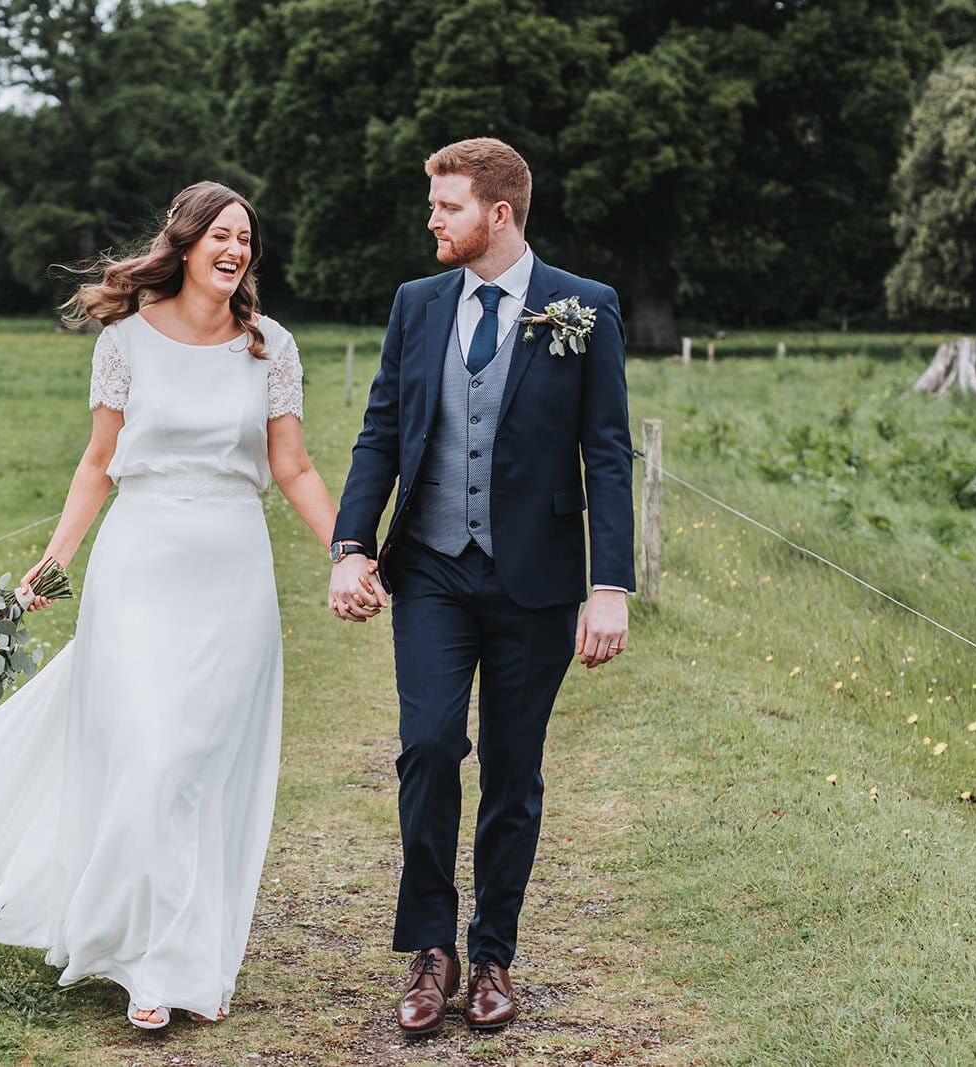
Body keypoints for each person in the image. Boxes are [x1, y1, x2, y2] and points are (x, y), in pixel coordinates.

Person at [0, 181, 346, 1030]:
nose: (235, 250)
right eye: (220, 234)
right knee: (151, 753)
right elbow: (97, 464)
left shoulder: (271, 348)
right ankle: (141, 957)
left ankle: (183, 957)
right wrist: (51, 563)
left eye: (246, 240)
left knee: (198, 767)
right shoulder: (126, 344)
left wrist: (348, 548)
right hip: (140, 568)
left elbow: (291, 466)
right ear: (183, 244)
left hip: (233, 578)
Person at [328, 138, 635, 1034]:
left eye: (447, 206)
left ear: (498, 214)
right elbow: (381, 428)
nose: (432, 219)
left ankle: (494, 949)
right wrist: (353, 544)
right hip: (429, 569)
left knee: (512, 770)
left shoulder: (586, 307)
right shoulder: (416, 305)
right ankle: (432, 948)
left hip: (534, 578)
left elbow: (607, 455)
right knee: (427, 747)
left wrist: (608, 583)